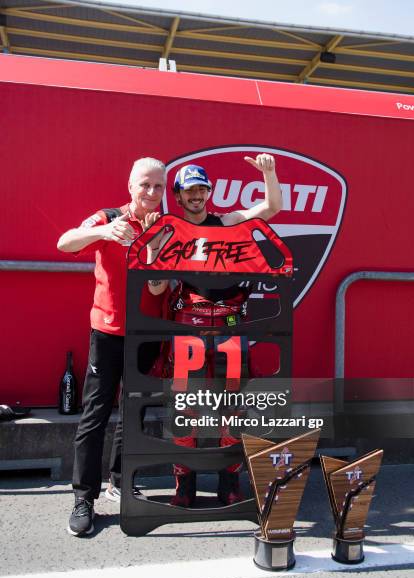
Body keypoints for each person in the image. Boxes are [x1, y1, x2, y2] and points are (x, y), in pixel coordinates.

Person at [146, 153, 283, 507]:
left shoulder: (228, 222)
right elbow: (157, 288)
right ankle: (185, 487)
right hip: (186, 333)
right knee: (183, 411)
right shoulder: (169, 231)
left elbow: (270, 208)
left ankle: (229, 483)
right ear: (177, 196)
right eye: (188, 191)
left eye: (201, 190)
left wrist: (269, 173)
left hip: (230, 331)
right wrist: (152, 248)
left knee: (233, 411)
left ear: (209, 192)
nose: (195, 196)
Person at [57, 157, 166, 536]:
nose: (152, 194)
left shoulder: (168, 226)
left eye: (158, 187)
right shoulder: (108, 217)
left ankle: (120, 482)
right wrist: (104, 234)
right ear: (131, 186)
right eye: (145, 186)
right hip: (107, 331)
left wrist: (153, 248)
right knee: (95, 415)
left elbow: (161, 287)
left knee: (133, 411)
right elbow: (65, 241)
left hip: (148, 333)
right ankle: (82, 498)